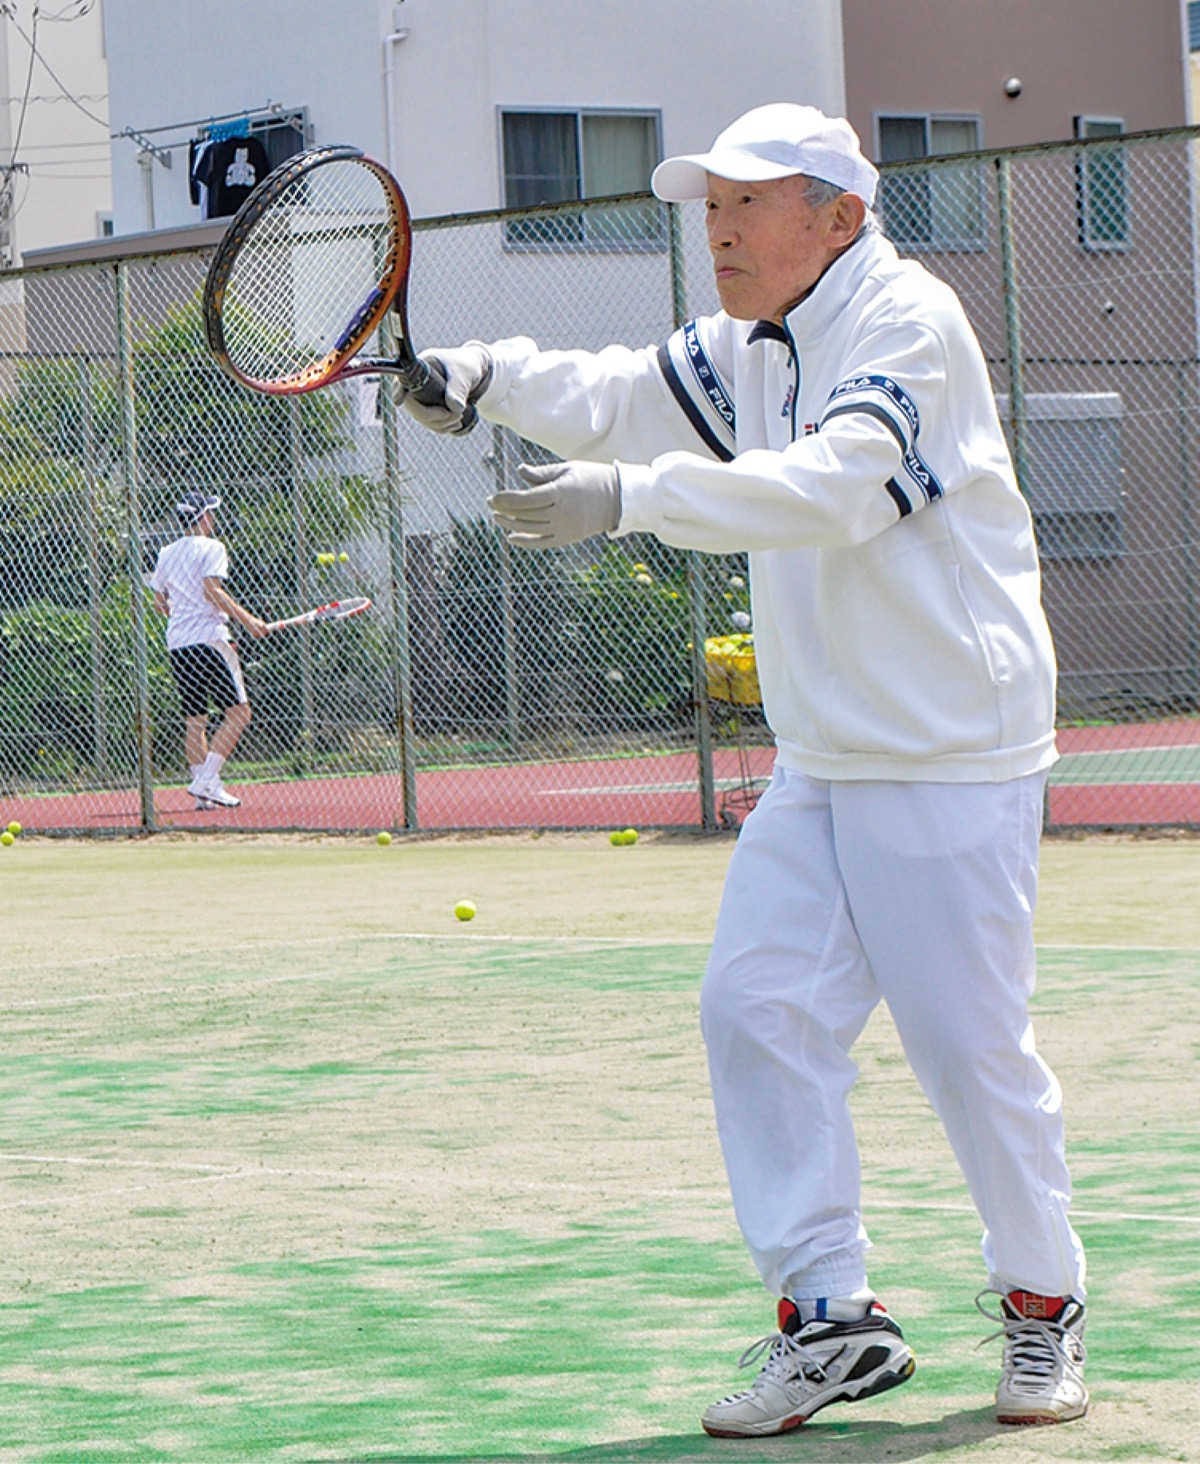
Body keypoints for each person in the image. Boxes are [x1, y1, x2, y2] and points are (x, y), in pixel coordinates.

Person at [400, 103, 1087, 1436]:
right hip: (827, 755)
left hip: (951, 749)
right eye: (709, 205)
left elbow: (835, 488)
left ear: (839, 216)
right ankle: (830, 1314)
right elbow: (617, 390)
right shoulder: (752, 345)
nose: (718, 229)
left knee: (970, 1052)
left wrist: (631, 496)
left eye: (748, 204)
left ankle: (1044, 1306)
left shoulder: (908, 324)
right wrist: (478, 370)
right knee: (754, 1010)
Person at [150, 491, 269, 809]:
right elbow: (211, 589)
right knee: (240, 713)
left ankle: (206, 790)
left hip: (179, 644)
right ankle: (205, 781)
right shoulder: (213, 548)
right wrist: (249, 620)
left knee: (195, 720)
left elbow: (159, 602)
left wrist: (184, 610)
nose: (213, 519)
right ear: (203, 517)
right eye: (210, 514)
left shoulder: (166, 553)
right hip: (211, 639)